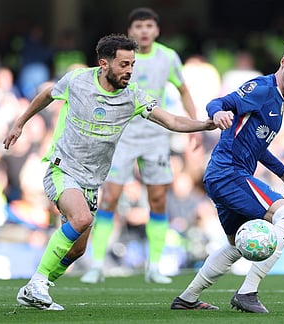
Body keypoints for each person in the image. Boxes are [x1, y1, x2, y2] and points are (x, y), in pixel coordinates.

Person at [3, 33, 216, 311]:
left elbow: (171, 120)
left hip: (93, 182)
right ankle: (37, 282)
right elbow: (46, 94)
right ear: (104, 64)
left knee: (77, 250)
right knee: (81, 218)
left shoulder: (132, 97)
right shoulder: (78, 80)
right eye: (123, 65)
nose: (129, 71)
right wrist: (20, 123)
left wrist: (205, 125)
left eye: (132, 65)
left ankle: (37, 286)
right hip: (63, 168)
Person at [170, 40, 284, 313]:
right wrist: (220, 113)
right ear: (283, 62)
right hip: (229, 173)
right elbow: (218, 102)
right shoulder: (262, 89)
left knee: (238, 244)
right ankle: (248, 292)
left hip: (224, 175)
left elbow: (256, 145)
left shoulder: (280, 100)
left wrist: (282, 172)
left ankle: (187, 298)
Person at [80, 7, 200, 285]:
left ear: (156, 31)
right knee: (110, 197)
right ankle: (97, 264)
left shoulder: (168, 57)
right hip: (121, 136)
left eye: (149, 26)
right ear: (130, 31)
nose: (144, 31)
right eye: (139, 27)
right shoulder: (120, 58)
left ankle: (154, 266)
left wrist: (193, 125)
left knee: (157, 199)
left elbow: (183, 90)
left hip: (156, 135)